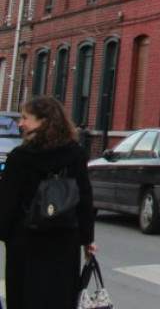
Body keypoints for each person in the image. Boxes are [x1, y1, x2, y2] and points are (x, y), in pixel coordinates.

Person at [0, 97, 97, 309]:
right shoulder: (75, 154)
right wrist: (87, 238)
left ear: (43, 121)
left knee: (25, 295)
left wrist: (6, 233)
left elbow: (7, 201)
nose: (20, 123)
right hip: (63, 238)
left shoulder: (20, 157)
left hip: (25, 239)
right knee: (59, 295)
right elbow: (84, 197)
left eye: (26, 118)